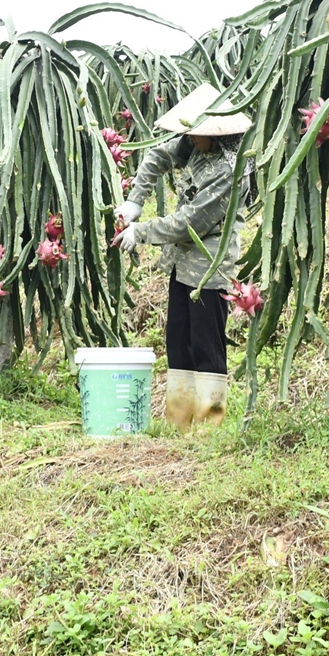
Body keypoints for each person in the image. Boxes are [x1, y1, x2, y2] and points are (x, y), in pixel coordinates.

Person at [114, 83, 252, 430]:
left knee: (206, 345)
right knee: (177, 338)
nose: (189, 138)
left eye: (196, 133)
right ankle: (180, 421)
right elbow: (158, 155)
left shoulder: (229, 171)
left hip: (210, 268)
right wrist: (136, 198)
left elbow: (190, 220)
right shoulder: (194, 145)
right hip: (181, 265)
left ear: (216, 134)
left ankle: (209, 425)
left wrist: (141, 232)